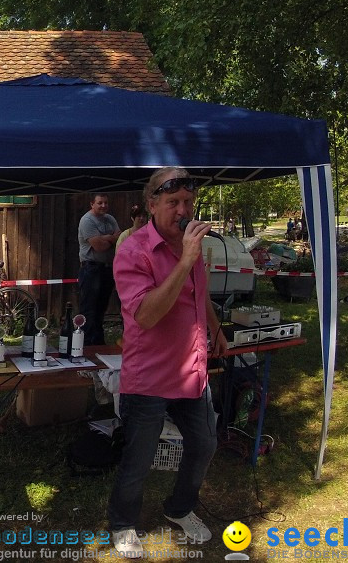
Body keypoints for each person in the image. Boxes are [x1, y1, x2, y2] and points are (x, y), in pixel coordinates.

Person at [108, 167, 228, 558]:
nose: (182, 210)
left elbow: (199, 292)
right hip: (150, 375)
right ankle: (123, 524)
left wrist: (216, 328)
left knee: (205, 443)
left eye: (188, 202)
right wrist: (185, 259)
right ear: (152, 204)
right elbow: (145, 314)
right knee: (139, 457)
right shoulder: (132, 250)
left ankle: (180, 508)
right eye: (173, 202)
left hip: (191, 367)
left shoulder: (189, 246)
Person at [77, 193, 121, 345]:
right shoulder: (87, 220)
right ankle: (87, 344)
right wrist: (111, 238)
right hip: (91, 269)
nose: (103, 206)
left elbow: (120, 238)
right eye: (100, 203)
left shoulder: (110, 219)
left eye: (106, 203)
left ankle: (98, 343)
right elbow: (99, 246)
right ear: (92, 204)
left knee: (101, 308)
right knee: (89, 309)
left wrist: (105, 238)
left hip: (107, 269)